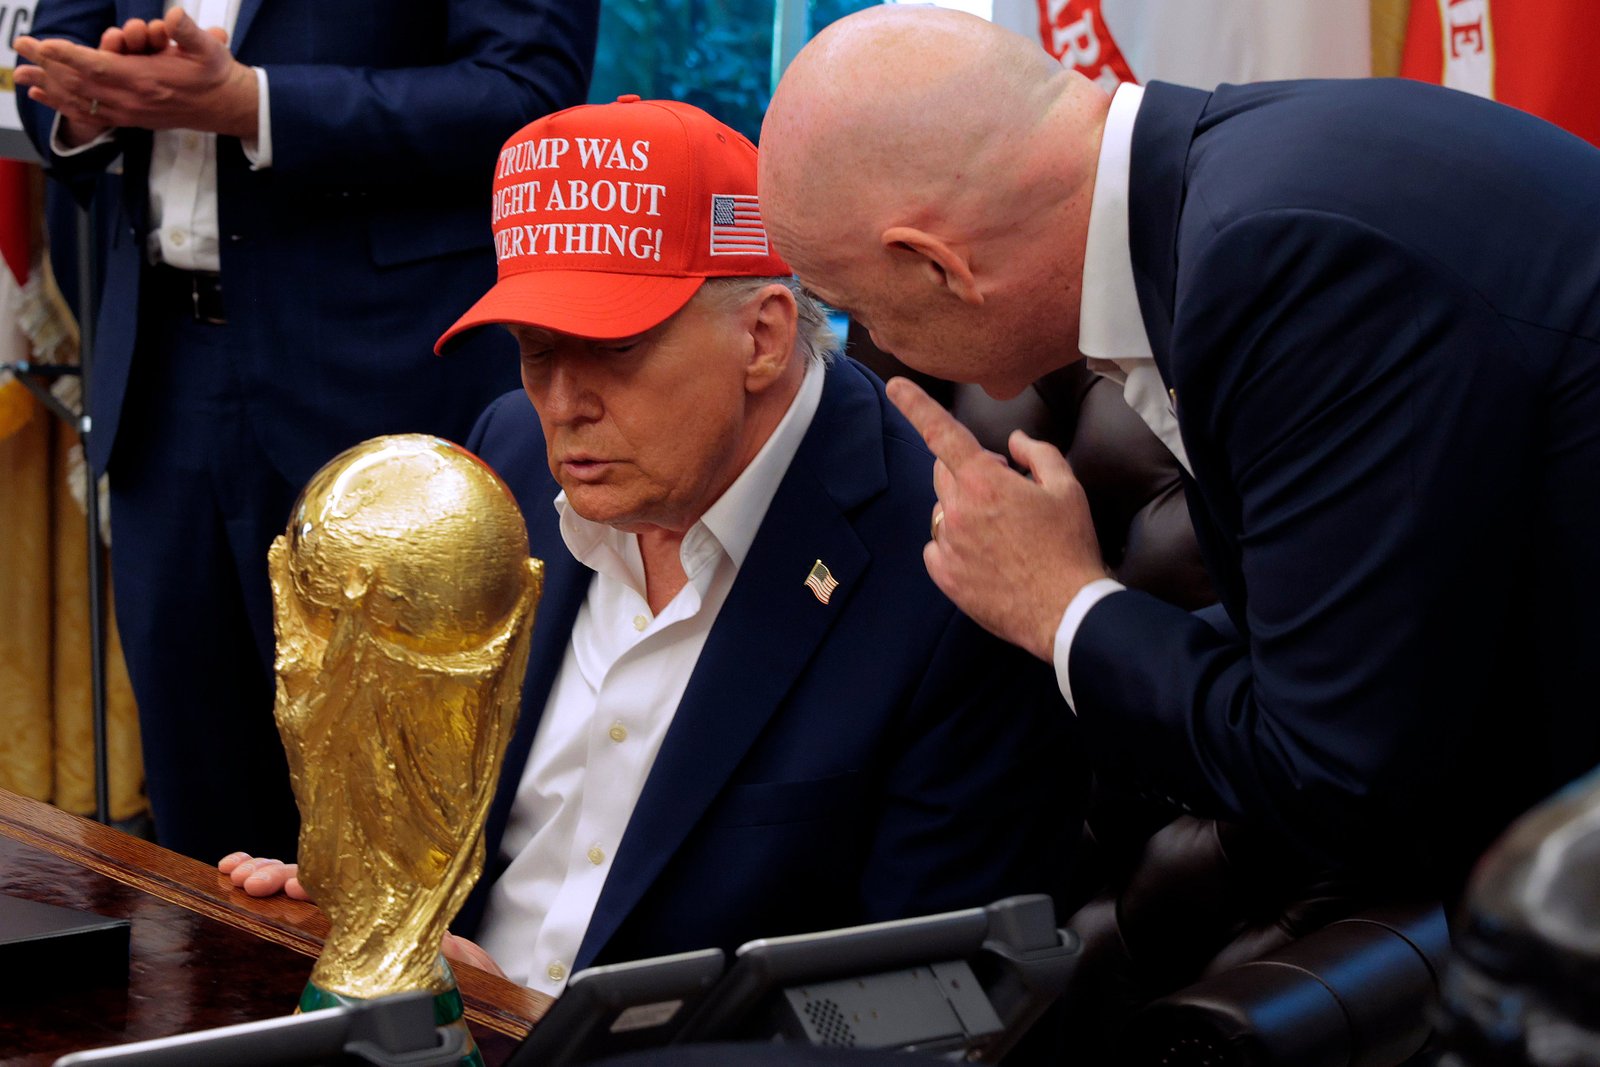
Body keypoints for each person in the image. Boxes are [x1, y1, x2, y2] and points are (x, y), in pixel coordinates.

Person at [221, 96, 1078, 993]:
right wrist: (379, 918)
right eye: (535, 349)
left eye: (612, 347)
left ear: (764, 334)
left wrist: (535, 1027)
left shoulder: (953, 567)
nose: (562, 403)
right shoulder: (505, 454)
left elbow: (934, 998)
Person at [757, 5, 1600, 894]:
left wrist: (1062, 604)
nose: (880, 342)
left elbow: (1336, 773)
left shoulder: (1277, 265)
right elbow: (1350, 625)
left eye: (863, 309)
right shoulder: (1230, 181)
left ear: (941, 266)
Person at [12, 1, 599, 861]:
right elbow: (50, 53)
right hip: (158, 370)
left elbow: (523, 93)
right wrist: (88, 96)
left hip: (380, 373)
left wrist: (254, 103)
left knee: (390, 810)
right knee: (195, 808)